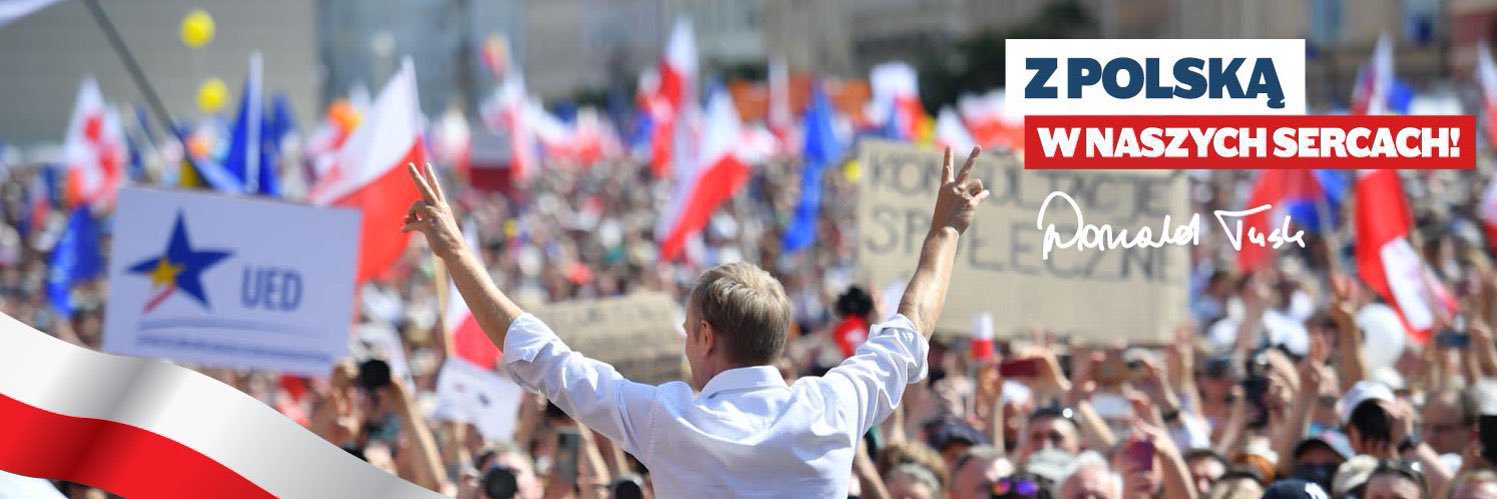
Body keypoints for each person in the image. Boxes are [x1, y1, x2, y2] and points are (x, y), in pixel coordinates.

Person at [402, 147, 991, 497]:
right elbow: (910, 325)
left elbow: (541, 357)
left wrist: (454, 252)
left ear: (706, 334)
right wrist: (946, 231)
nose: (685, 344)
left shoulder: (669, 420)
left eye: (687, 330)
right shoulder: (834, 408)